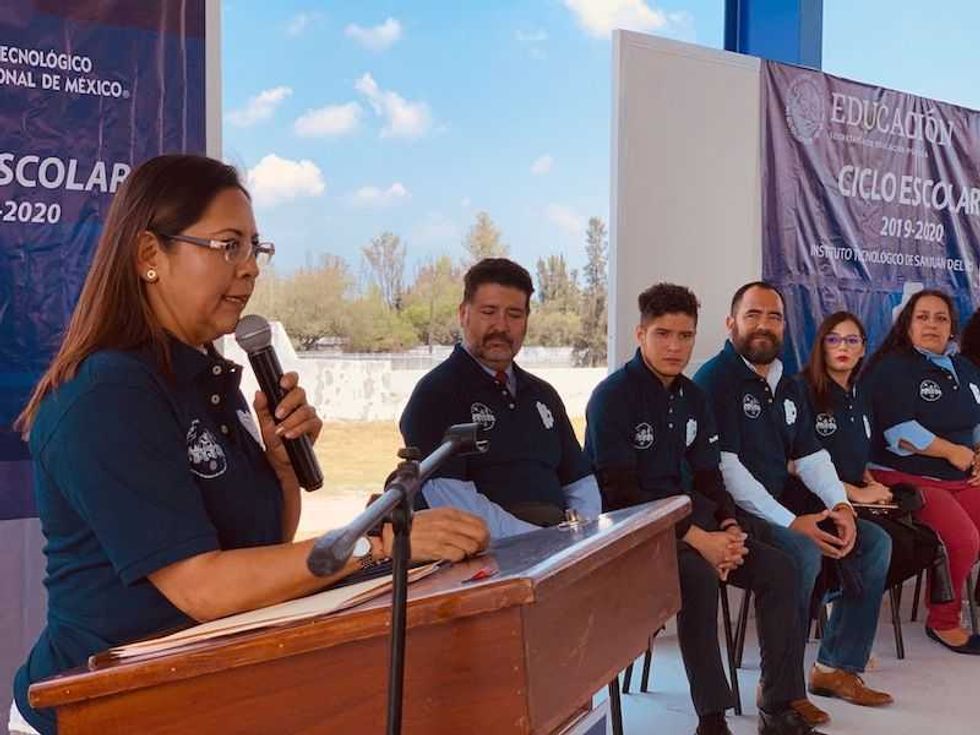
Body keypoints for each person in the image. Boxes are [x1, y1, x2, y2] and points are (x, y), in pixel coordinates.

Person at [9, 155, 489, 735]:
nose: (250, 269)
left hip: (209, 694)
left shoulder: (211, 378)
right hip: (101, 706)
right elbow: (202, 587)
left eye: (255, 249)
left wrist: (282, 470)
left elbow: (264, 542)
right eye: (228, 246)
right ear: (148, 256)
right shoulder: (106, 393)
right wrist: (378, 547)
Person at [585, 283, 822, 735]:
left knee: (782, 568)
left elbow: (709, 475)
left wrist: (729, 527)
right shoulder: (612, 397)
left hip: (696, 520)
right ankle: (711, 719)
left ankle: (777, 706)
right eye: (663, 334)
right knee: (696, 575)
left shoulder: (694, 397)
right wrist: (699, 539)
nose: (675, 346)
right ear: (640, 334)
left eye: (685, 335)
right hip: (634, 531)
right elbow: (618, 493)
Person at [693, 282, 893, 712]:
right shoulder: (715, 379)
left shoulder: (786, 381)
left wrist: (840, 505)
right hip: (730, 513)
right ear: (731, 323)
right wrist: (790, 522)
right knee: (801, 553)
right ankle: (781, 689)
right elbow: (726, 469)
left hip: (780, 504)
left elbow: (811, 454)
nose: (764, 325)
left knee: (875, 542)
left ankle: (836, 667)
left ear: (785, 325)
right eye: (753, 315)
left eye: (774, 317)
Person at [399, 257, 601, 538]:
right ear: (463, 314)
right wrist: (540, 542)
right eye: (489, 312)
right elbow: (452, 500)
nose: (501, 326)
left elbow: (579, 482)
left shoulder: (543, 395)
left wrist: (583, 535)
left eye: (514, 314)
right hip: (489, 557)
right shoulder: (437, 393)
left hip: (559, 547)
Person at [797, 311, 941, 626]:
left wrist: (867, 482)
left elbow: (854, 450)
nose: (842, 347)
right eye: (833, 339)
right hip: (815, 500)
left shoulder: (860, 394)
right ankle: (839, 602)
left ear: (863, 348)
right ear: (821, 346)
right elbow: (794, 463)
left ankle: (847, 597)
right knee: (886, 543)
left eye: (852, 340)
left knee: (924, 543)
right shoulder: (802, 390)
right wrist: (855, 492)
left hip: (856, 496)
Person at [864, 289, 980, 654]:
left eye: (941, 318)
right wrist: (955, 452)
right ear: (907, 324)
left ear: (952, 328)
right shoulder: (893, 368)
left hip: (958, 478)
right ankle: (943, 622)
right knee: (963, 540)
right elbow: (900, 432)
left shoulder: (964, 368)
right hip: (903, 479)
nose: (932, 324)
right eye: (923, 317)